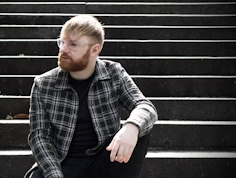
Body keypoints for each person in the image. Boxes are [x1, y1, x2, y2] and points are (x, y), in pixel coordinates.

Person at [24, 15, 158, 178]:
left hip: (104, 159)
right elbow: (40, 137)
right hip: (64, 162)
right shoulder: (43, 84)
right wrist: (54, 175)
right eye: (62, 42)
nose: (63, 49)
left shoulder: (113, 73)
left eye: (73, 44)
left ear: (95, 49)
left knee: (140, 132)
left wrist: (132, 127)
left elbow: (145, 107)